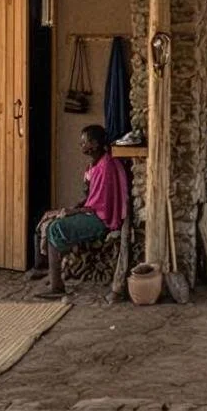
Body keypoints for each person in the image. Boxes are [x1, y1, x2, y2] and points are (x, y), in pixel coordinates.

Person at [29, 125, 128, 297]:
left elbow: (101, 205)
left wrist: (74, 212)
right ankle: (45, 270)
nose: (81, 145)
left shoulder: (107, 166)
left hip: (101, 219)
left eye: (84, 142)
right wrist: (70, 209)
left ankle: (56, 287)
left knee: (55, 227)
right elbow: (89, 197)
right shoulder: (93, 166)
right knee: (47, 220)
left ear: (95, 144)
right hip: (92, 212)